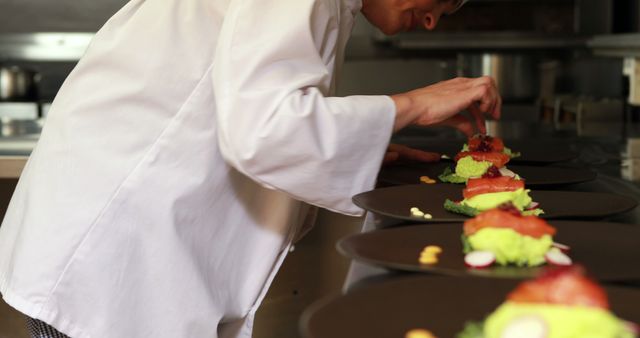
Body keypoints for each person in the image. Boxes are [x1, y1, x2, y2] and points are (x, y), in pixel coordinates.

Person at [0, 0, 500, 337]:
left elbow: (254, 110)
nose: (435, 19)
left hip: (121, 237)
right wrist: (411, 104)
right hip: (113, 245)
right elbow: (264, 130)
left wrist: (362, 143)